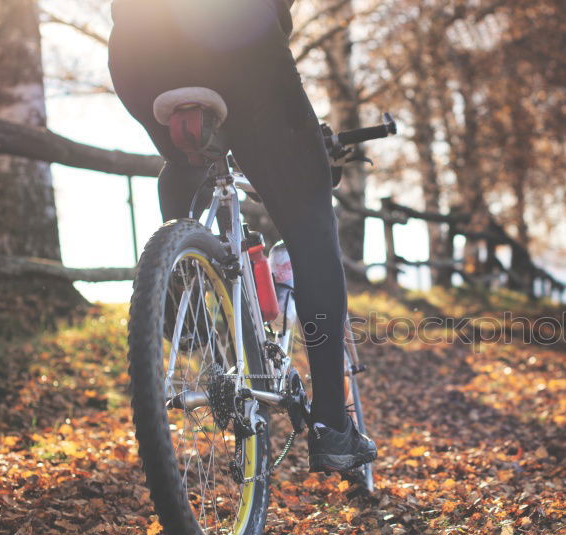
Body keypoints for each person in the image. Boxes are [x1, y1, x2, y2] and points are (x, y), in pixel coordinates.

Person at [108, 0, 376, 473]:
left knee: (186, 164)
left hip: (138, 55)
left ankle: (178, 298)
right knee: (311, 223)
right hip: (238, 39)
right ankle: (333, 424)